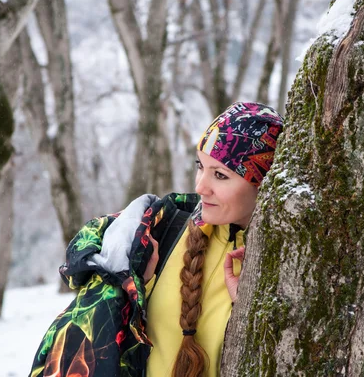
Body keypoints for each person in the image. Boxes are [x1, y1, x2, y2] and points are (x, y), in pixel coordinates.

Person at [30, 102, 284, 377]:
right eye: (200, 166)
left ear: (264, 183)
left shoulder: (283, 266)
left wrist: (250, 310)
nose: (200, 186)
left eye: (220, 175)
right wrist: (136, 288)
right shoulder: (163, 232)